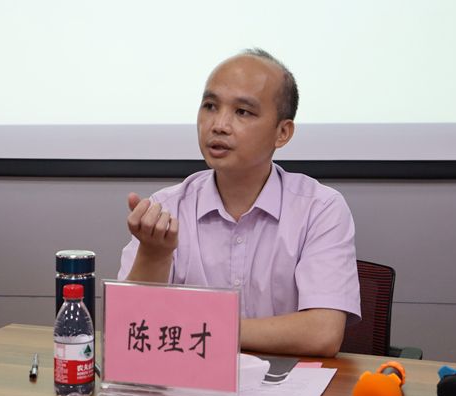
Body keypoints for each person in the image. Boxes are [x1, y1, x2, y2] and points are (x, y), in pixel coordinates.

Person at [118, 48, 360, 357]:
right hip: (191, 377)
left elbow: (322, 334)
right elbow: (131, 327)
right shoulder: (166, 209)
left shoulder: (320, 209)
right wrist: (154, 255)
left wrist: (200, 328)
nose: (218, 125)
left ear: (282, 133)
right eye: (210, 106)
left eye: (242, 112)